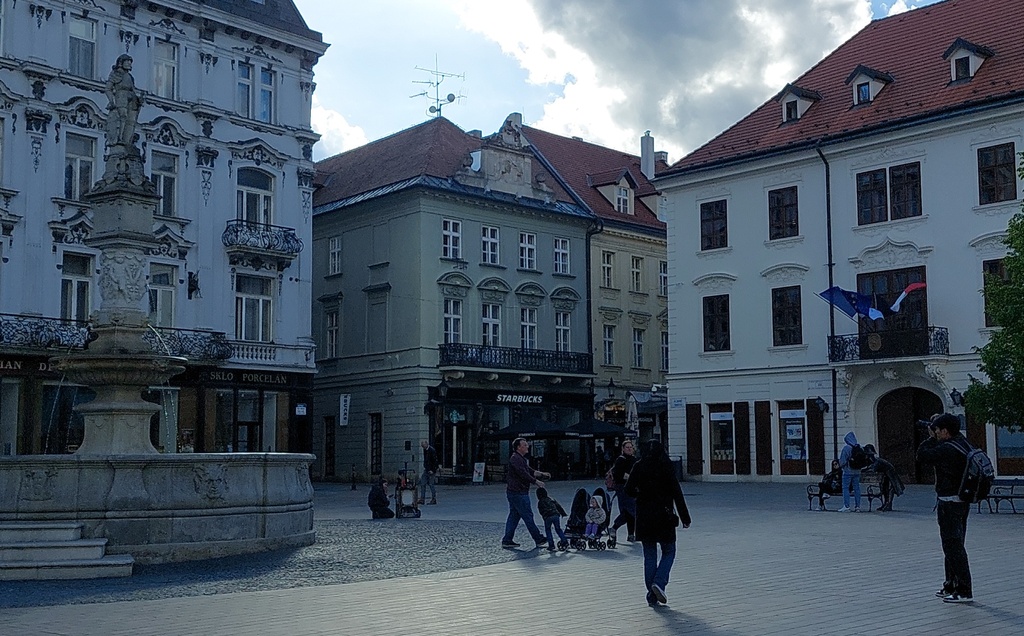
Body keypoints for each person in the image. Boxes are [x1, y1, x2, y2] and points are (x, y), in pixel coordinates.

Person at [625, 439, 691, 607]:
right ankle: (659, 583)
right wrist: (685, 517)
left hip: (645, 517)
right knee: (669, 551)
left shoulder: (638, 466)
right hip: (664, 516)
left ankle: (651, 594)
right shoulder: (666, 466)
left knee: (649, 555)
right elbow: (677, 492)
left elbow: (628, 490)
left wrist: (641, 492)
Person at [917, 413, 974, 603]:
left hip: (949, 502)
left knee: (952, 546)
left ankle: (964, 590)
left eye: (938, 430)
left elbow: (922, 456)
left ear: (945, 432)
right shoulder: (963, 443)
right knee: (955, 545)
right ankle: (951, 584)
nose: (936, 432)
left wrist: (930, 438)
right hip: (962, 501)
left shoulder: (947, 449)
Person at [502, 437, 551, 549]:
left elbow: (529, 470)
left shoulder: (520, 459)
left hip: (515, 492)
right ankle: (538, 539)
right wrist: (536, 481)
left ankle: (507, 540)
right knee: (528, 516)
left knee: (514, 516)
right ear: (518, 447)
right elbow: (523, 473)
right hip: (519, 493)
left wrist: (541, 474)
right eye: (525, 445)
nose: (527, 446)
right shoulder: (516, 459)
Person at [104, 54, 143, 150]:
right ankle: (119, 138)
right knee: (123, 116)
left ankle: (126, 140)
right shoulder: (115, 74)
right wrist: (111, 101)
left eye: (130, 62)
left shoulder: (129, 76)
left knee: (131, 120)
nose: (130, 64)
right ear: (121, 63)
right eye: (127, 62)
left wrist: (139, 98)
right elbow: (108, 89)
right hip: (121, 96)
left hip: (131, 98)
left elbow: (133, 89)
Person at [610, 440, 638, 540]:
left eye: (631, 447)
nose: (629, 449)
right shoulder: (621, 460)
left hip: (632, 488)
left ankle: (631, 534)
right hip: (622, 488)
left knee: (631, 512)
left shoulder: (634, 459)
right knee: (629, 511)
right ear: (623, 449)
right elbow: (618, 474)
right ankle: (614, 527)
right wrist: (630, 477)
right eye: (627, 447)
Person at [863, 444, 905, 511]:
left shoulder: (876, 461)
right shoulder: (874, 461)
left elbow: (872, 470)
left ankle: (888, 504)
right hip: (886, 475)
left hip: (890, 474)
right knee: (885, 488)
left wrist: (863, 470)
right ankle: (886, 503)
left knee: (890, 488)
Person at [536, 487, 568, 551]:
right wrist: (563, 513)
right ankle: (564, 540)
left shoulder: (540, 502)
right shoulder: (551, 499)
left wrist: (544, 517)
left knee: (548, 530)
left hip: (547, 517)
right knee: (558, 529)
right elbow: (558, 506)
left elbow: (541, 511)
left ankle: (551, 545)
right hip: (556, 515)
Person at [837, 431, 863, 512]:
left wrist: (841, 466)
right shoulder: (859, 447)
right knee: (857, 488)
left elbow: (842, 462)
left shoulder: (846, 448)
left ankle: (846, 506)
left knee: (845, 488)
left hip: (848, 471)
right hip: (857, 471)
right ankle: (857, 506)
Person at [418, 440, 439, 505]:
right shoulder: (425, 450)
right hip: (427, 469)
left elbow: (435, 461)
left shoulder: (432, 450)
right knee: (422, 483)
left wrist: (433, 470)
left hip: (431, 470)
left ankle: (434, 499)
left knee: (431, 484)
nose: (423, 447)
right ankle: (422, 499)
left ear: (427, 444)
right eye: (422, 446)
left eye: (423, 446)